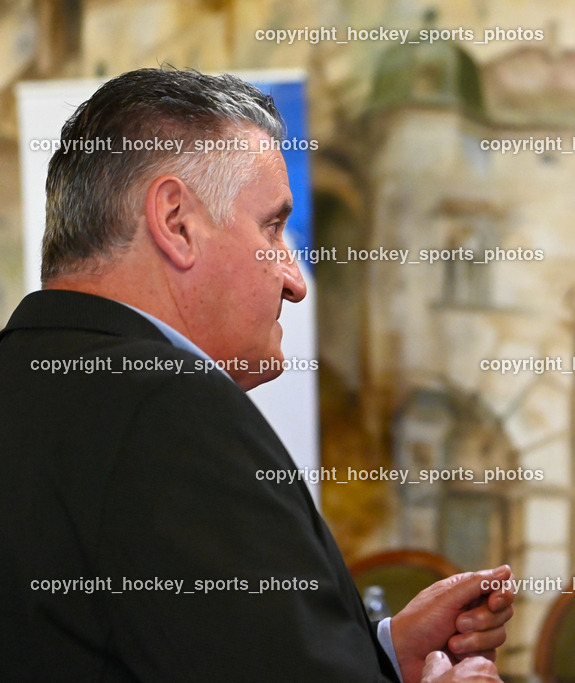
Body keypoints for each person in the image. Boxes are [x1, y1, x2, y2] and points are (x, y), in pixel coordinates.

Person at [0, 68, 513, 682]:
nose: (296, 281)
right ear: (176, 221)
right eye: (273, 227)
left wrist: (379, 654)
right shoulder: (172, 409)